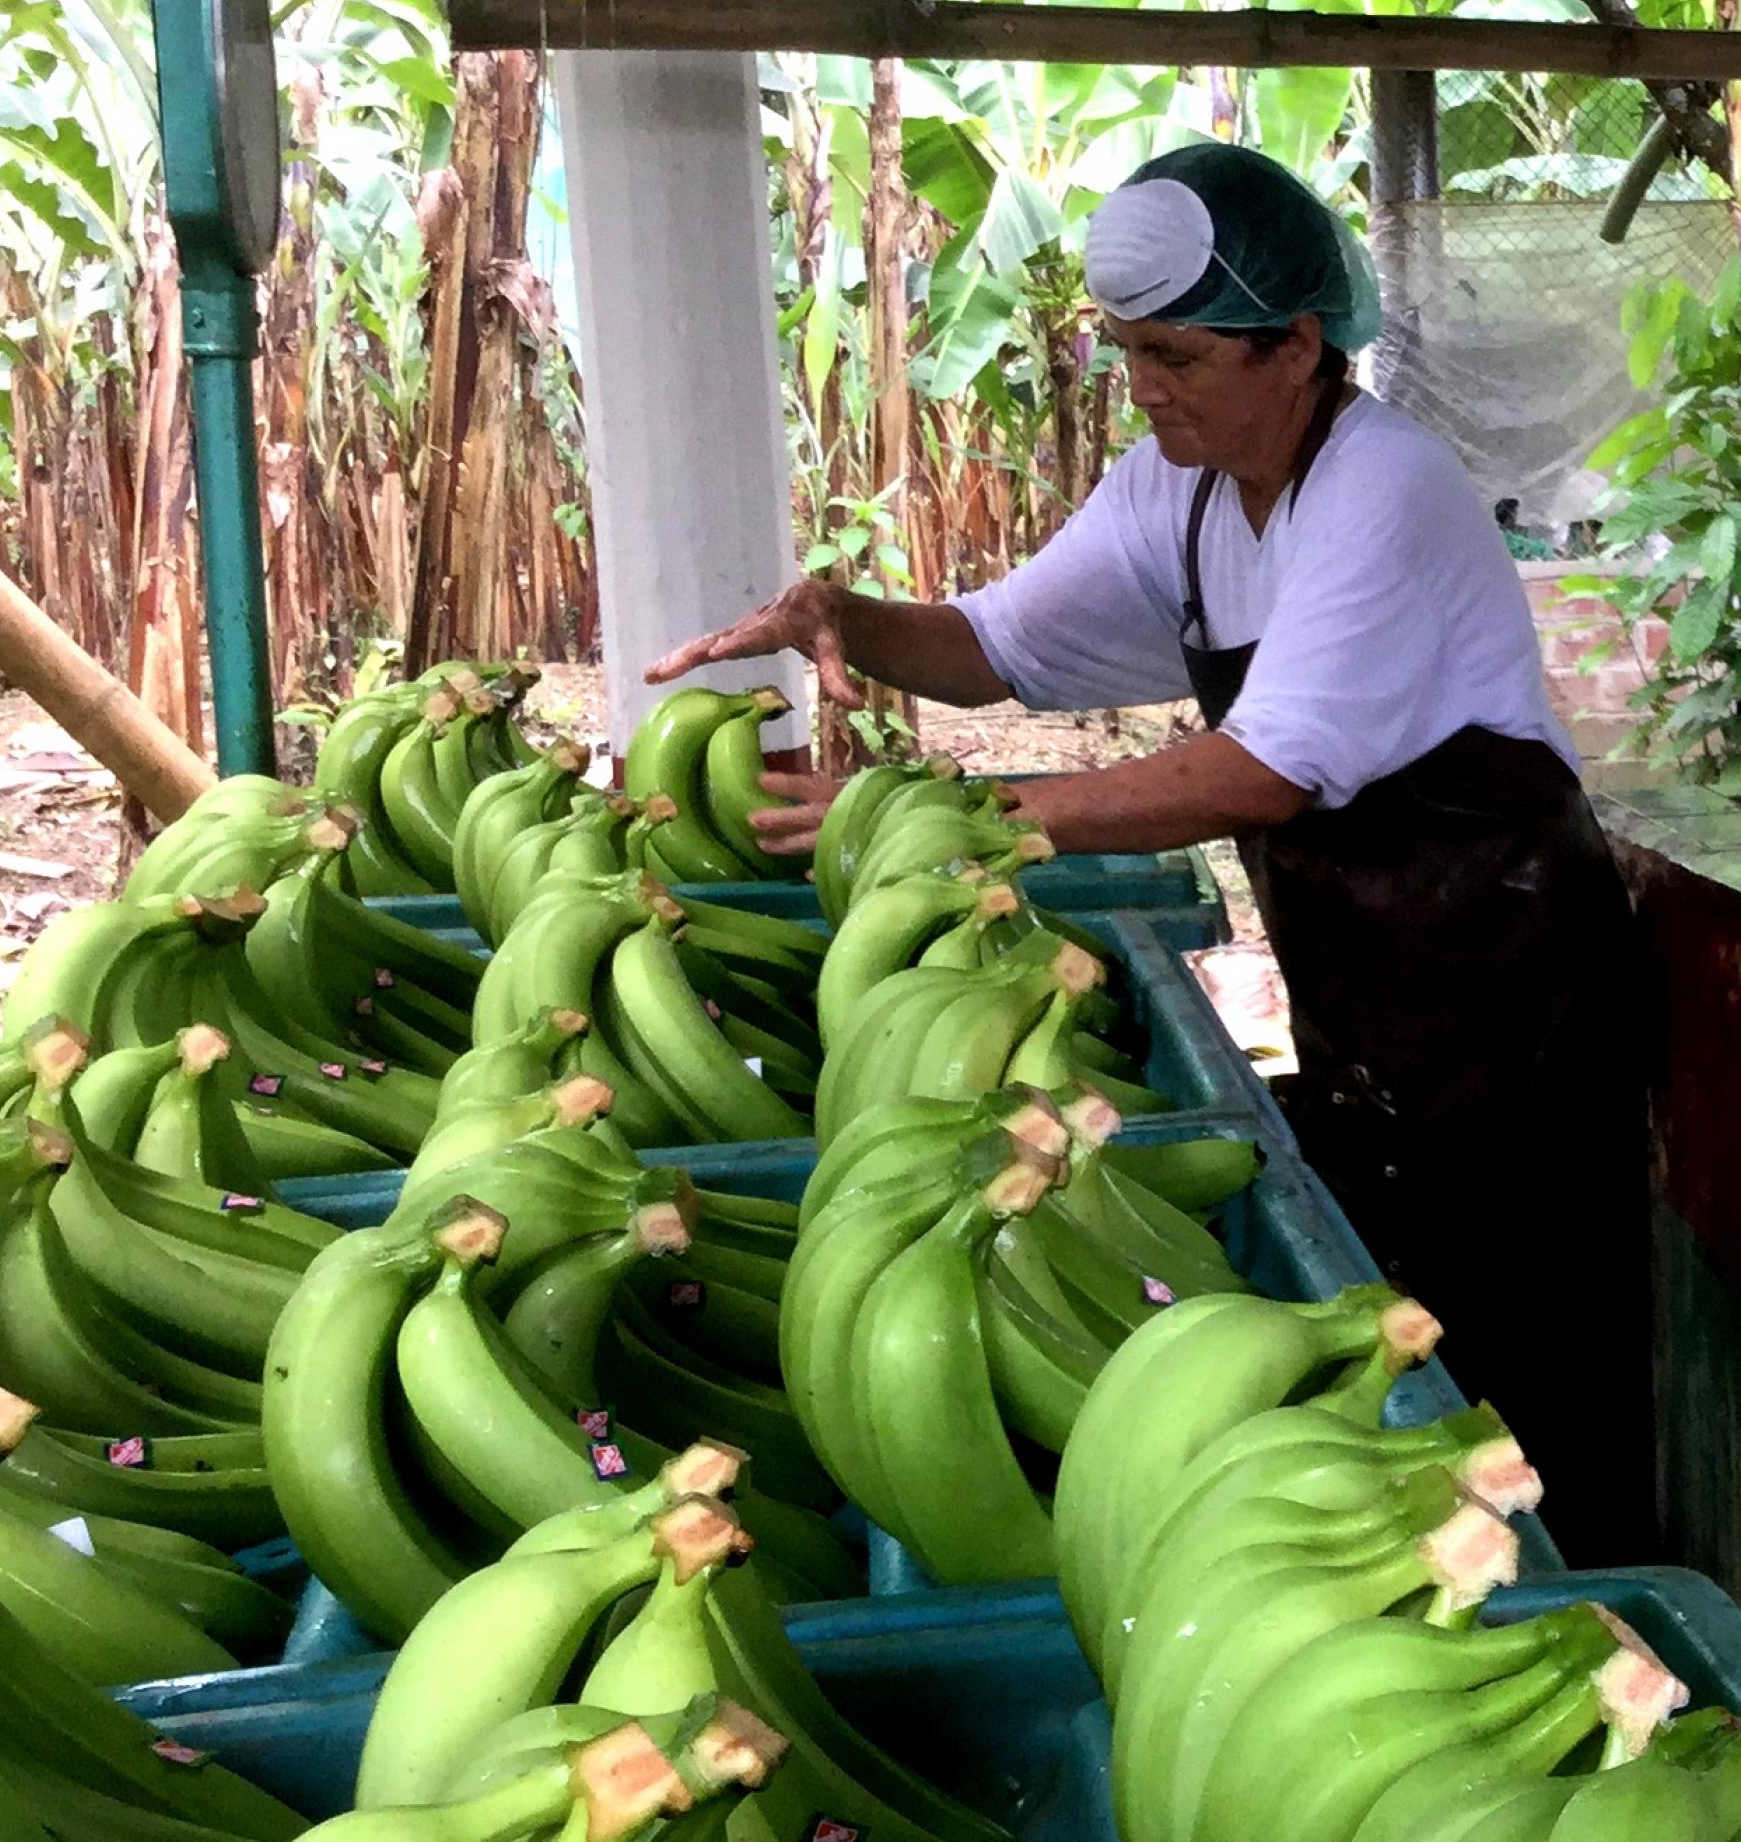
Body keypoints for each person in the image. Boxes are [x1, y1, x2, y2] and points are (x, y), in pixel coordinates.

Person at [648, 143, 1657, 1560]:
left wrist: (955, 817)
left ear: (1297, 343)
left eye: (1177, 354)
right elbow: (996, 647)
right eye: (1127, 353)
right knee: (1402, 1317)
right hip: (1367, 991)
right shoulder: (1172, 491)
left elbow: (1262, 772)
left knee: (1531, 1343)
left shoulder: (1386, 492)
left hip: (1511, 984)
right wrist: (848, 615)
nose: (1146, 386)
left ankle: (1591, 1603)